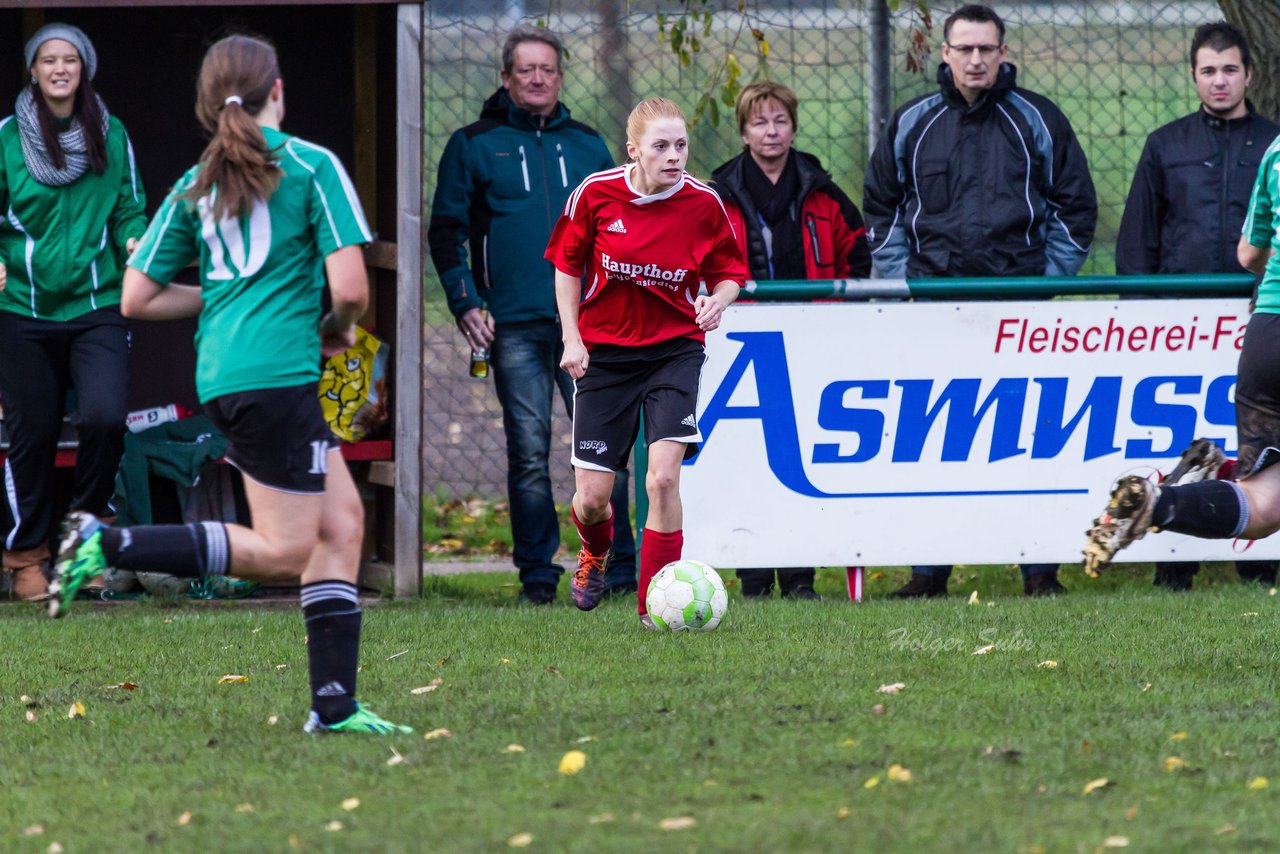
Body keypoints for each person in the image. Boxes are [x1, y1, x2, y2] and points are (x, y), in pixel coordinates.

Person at [49, 34, 410, 735]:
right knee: (284, 551)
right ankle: (107, 543)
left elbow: (136, 299)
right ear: (279, 90)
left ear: (207, 105)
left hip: (227, 373)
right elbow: (352, 290)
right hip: (277, 376)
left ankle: (333, 707)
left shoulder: (197, 182)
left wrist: (221, 299)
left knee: (342, 524)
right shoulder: (310, 165)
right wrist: (333, 327)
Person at [863, 3, 1097, 598]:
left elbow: (1076, 206)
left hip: (1020, 311)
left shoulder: (1037, 119)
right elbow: (881, 207)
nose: (974, 60)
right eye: (963, 49)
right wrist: (903, 280)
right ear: (945, 53)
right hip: (933, 312)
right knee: (931, 444)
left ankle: (1040, 572)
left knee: (1030, 441)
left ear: (1002, 53)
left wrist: (1044, 280)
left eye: (985, 49)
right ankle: (928, 575)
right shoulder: (912, 122)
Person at [429, 24, 637, 606]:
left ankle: (616, 570)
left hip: (590, 328)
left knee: (605, 451)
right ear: (506, 78)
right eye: (526, 70)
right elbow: (445, 232)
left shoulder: (591, 145)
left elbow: (621, 232)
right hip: (513, 325)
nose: (538, 78)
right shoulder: (475, 143)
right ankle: (537, 578)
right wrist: (467, 301)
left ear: (561, 77)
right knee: (528, 451)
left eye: (547, 69)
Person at [544, 97, 745, 624]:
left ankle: (652, 607)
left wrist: (717, 302)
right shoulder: (596, 194)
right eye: (661, 147)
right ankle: (594, 552)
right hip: (605, 355)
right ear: (633, 150)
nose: (674, 156)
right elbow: (565, 265)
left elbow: (731, 273)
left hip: (674, 351)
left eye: (681, 145)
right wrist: (572, 337)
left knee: (662, 480)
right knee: (592, 499)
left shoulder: (703, 203)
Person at [1115, 20, 1280, 591]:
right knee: (1186, 435)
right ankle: (1173, 565)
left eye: (1229, 69)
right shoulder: (1166, 143)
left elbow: (1252, 250)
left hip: (1257, 317)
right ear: (1193, 75)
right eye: (1208, 70)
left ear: (1249, 74)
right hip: (1180, 318)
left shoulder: (1273, 144)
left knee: (1260, 463)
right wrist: (1143, 310)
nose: (1219, 81)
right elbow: (1138, 239)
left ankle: (1254, 562)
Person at [1084, 129, 1280, 580]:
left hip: (1268, 332)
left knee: (1266, 503)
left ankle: (1157, 502)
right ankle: (1218, 471)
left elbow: (1249, 252)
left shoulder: (1273, 150)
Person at [0, 24, 146, 601]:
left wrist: (136, 241)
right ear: (33, 71)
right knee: (31, 432)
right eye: (48, 60)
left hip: (97, 304)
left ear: (84, 69)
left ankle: (88, 538)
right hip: (22, 308)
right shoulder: (7, 138)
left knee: (106, 416)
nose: (59, 68)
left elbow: (130, 208)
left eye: (70, 60)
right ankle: (26, 556)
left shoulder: (113, 134)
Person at [710, 80, 871, 600]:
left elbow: (857, 254)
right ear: (743, 131)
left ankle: (801, 578)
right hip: (742, 345)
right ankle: (753, 576)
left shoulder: (822, 190)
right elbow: (700, 259)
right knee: (748, 459)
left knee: (805, 459)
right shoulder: (717, 193)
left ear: (794, 126)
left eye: (780, 120)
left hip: (812, 341)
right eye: (759, 122)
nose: (771, 131)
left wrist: (837, 312)